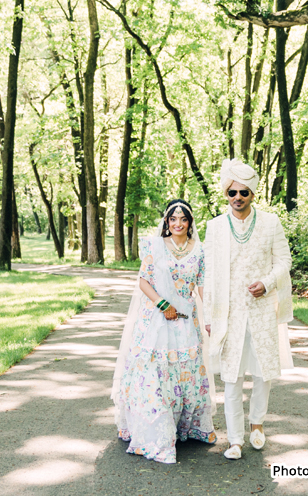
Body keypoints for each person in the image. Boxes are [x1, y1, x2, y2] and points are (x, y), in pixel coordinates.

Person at [112, 199, 217, 464]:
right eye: (173, 219)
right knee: (157, 374)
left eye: (183, 219)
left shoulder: (201, 251)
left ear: (190, 222)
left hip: (185, 322)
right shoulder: (155, 246)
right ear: (167, 222)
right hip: (157, 320)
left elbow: (202, 286)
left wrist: (213, 316)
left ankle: (188, 427)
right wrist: (163, 304)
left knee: (184, 372)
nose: (178, 224)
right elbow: (144, 281)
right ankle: (157, 434)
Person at [204, 159, 294, 460]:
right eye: (232, 193)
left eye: (244, 192)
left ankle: (257, 424)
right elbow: (210, 275)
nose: (238, 198)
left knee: (262, 374)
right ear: (226, 194)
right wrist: (208, 317)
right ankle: (235, 440)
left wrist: (267, 283)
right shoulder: (215, 227)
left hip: (262, 310)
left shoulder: (271, 223)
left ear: (253, 194)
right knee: (230, 378)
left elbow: (284, 262)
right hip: (227, 314)